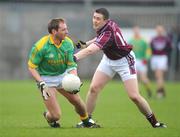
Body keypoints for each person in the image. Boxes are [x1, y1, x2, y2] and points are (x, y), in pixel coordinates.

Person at [74, 8, 166, 128]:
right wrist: (86, 43)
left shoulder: (108, 32)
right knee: (94, 88)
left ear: (105, 21)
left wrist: (73, 58)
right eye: (94, 17)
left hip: (125, 61)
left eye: (98, 19)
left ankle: (155, 122)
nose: (95, 21)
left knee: (134, 96)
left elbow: (92, 50)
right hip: (108, 60)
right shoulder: (106, 26)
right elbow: (99, 39)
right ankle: (87, 121)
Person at [28, 18, 100, 128]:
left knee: (78, 102)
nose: (67, 32)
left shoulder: (68, 43)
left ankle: (86, 121)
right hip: (46, 80)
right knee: (55, 116)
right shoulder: (40, 46)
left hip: (63, 76)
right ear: (54, 31)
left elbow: (71, 64)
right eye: (63, 30)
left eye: (66, 29)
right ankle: (48, 116)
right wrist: (41, 83)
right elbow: (31, 67)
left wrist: (75, 79)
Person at [128, 26, 152, 98]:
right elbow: (128, 51)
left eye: (137, 30)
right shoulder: (131, 40)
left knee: (144, 79)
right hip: (133, 62)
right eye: (134, 30)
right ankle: (138, 93)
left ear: (139, 31)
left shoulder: (143, 41)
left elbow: (148, 51)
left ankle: (148, 90)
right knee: (135, 78)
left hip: (142, 61)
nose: (136, 32)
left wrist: (146, 58)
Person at [150, 25, 172, 98]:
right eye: (158, 29)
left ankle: (159, 92)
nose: (159, 31)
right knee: (157, 76)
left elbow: (170, 48)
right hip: (154, 57)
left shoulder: (166, 39)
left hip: (162, 57)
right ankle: (162, 90)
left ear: (163, 30)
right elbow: (151, 48)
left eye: (160, 29)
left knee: (159, 75)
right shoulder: (153, 39)